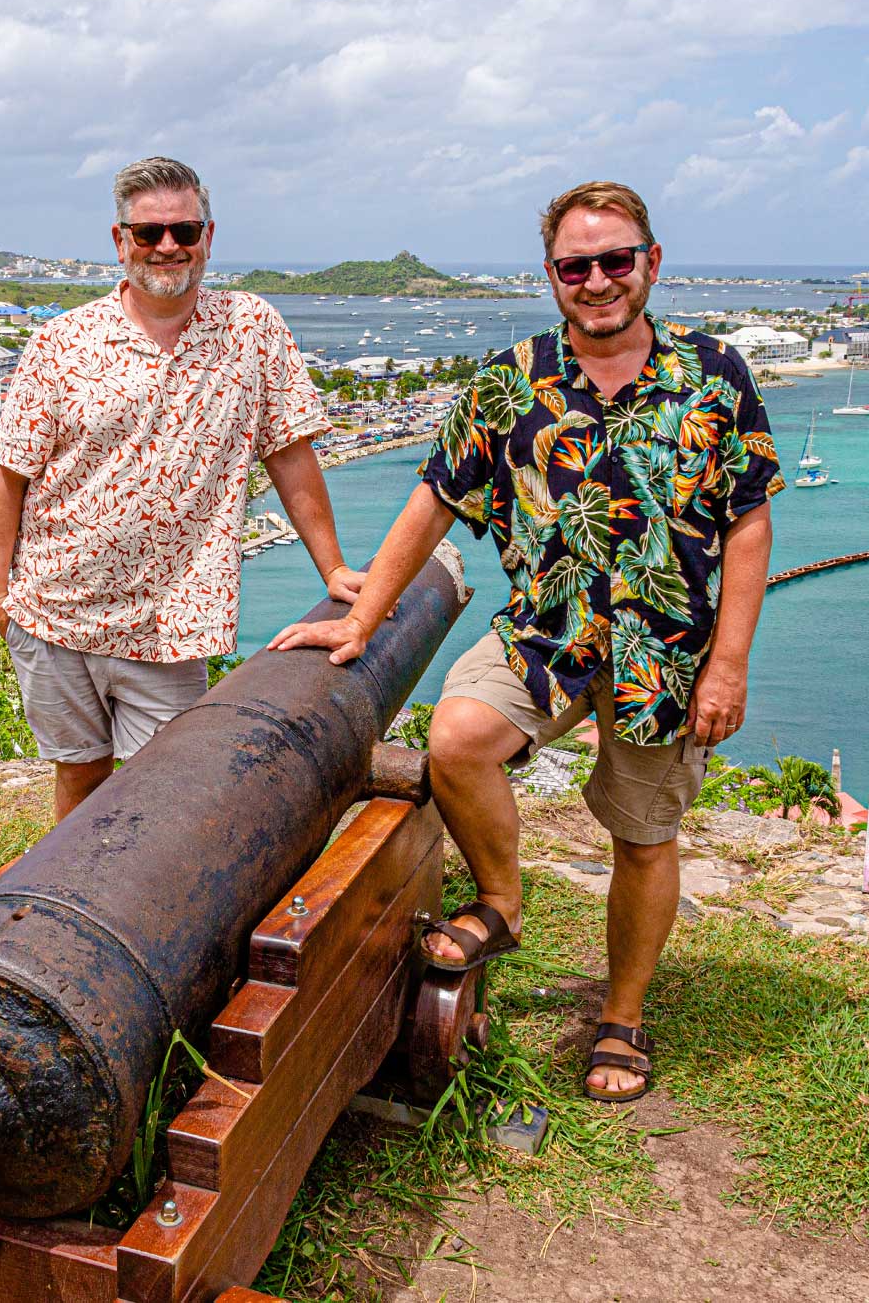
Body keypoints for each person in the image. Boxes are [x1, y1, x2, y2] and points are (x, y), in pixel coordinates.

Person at [267, 180, 781, 1102]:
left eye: (615, 260)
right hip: (545, 633)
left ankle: (621, 1016)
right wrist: (362, 617)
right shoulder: (511, 381)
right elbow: (433, 498)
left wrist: (730, 662)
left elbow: (748, 522)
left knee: (643, 835)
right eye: (576, 266)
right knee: (458, 738)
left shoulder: (714, 376)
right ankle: (502, 901)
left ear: (651, 264)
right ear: (551, 276)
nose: (597, 281)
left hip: (662, 652)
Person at [0, 155, 363, 827]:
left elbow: (290, 455)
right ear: (119, 239)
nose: (167, 247)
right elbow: (7, 475)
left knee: (175, 786)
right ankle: (70, 901)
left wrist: (331, 568)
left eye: (183, 232)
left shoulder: (250, 330)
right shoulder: (62, 344)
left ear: (208, 237)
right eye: (149, 232)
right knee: (79, 769)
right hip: (54, 607)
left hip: (170, 621)